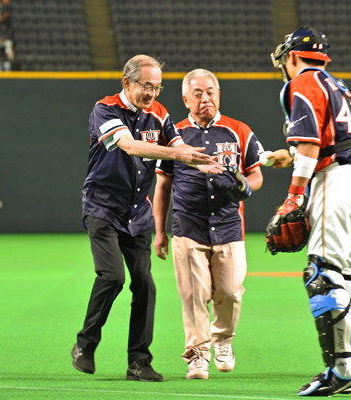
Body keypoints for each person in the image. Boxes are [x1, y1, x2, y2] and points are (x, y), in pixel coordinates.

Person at [72, 55, 217, 382]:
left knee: (146, 285)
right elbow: (131, 147)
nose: (152, 93)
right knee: (112, 277)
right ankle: (85, 343)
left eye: (157, 86)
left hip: (137, 214)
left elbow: (179, 145)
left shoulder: (160, 113)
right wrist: (179, 154)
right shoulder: (105, 110)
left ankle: (139, 361)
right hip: (103, 208)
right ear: (127, 83)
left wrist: (199, 162)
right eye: (146, 86)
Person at [267, 27, 351, 396]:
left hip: (336, 182)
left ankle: (341, 370)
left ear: (293, 56)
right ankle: (348, 367)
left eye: (285, 58)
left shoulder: (301, 81)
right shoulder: (336, 84)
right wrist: (295, 157)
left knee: (322, 276)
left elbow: (312, 143)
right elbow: (329, 141)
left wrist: (295, 194)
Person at [153, 69, 264, 380]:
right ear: (186, 99)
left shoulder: (238, 131)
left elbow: (255, 174)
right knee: (193, 295)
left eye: (211, 91)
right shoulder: (173, 135)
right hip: (187, 226)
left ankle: (223, 340)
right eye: (198, 93)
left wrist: (246, 184)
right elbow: (162, 186)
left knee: (230, 291)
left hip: (229, 226)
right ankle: (198, 354)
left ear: (219, 94)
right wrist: (160, 232)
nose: (206, 98)